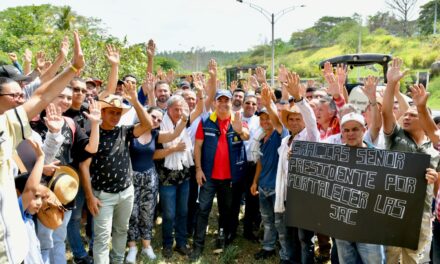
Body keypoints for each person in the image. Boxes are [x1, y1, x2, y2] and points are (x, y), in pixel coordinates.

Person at [0, 31, 84, 264]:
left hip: (13, 240)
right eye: (15, 94)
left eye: (21, 94)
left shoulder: (7, 123)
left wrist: (74, 68)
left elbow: (42, 95)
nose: (21, 99)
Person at [80, 81, 152, 264]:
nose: (115, 116)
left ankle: (118, 261)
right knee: (102, 239)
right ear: (102, 112)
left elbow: (148, 124)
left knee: (121, 231)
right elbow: (84, 167)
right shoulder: (92, 135)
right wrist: (89, 197)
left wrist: (135, 101)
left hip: (126, 192)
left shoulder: (124, 132)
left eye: (118, 113)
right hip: (103, 196)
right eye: (111, 112)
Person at [382, 58, 440, 263]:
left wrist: (435, 177)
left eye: (413, 115)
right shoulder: (395, 137)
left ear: (425, 121)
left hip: (421, 215)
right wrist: (391, 84)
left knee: (414, 259)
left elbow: (437, 184)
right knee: (390, 257)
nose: (406, 117)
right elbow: (386, 112)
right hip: (393, 212)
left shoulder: (434, 149)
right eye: (405, 114)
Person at [190, 89, 249, 262]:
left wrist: (239, 130)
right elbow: (198, 146)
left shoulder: (238, 120)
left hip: (229, 178)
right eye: (220, 100)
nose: (223, 103)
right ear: (215, 103)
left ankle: (222, 239)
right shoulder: (205, 121)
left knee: (226, 211)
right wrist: (198, 169)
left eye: (227, 100)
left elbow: (247, 136)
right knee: (202, 210)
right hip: (208, 176)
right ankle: (198, 246)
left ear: (231, 103)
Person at [125, 105, 189, 262]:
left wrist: (185, 119)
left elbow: (175, 133)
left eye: (159, 119)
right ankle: (132, 247)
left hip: (150, 178)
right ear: (144, 115)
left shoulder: (155, 135)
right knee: (132, 214)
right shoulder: (130, 132)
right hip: (131, 178)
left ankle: (147, 246)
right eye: (153, 117)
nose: (155, 121)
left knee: (148, 213)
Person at [275, 72, 319, 264]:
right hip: (287, 194)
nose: (294, 122)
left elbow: (311, 120)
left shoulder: (310, 137)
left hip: (305, 196)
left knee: (304, 238)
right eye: (291, 119)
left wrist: (300, 100)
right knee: (291, 234)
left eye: (297, 119)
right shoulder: (286, 140)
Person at [333, 112, 386, 264]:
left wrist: (425, 176)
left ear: (364, 129)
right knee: (347, 261)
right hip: (341, 222)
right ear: (341, 132)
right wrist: (297, 157)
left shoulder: (380, 157)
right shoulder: (332, 156)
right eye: (346, 130)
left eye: (355, 129)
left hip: (369, 224)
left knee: (374, 261)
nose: (350, 134)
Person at [250, 84, 290, 262]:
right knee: (267, 221)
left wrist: (268, 105)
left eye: (268, 119)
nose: (265, 122)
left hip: (277, 189)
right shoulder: (260, 138)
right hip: (264, 186)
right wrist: (255, 182)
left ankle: (285, 254)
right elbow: (260, 162)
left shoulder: (281, 135)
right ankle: (267, 247)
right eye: (262, 119)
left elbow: (278, 122)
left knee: (280, 223)